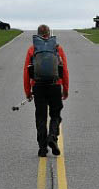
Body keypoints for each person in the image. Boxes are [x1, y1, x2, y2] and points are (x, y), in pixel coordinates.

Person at [23, 24, 69, 157]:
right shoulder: (57, 48)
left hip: (38, 87)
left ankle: (42, 148)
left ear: (37, 35)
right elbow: (64, 70)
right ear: (49, 34)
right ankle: (52, 137)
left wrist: (28, 91)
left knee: (41, 117)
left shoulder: (32, 49)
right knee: (55, 115)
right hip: (55, 86)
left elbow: (27, 72)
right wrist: (65, 89)